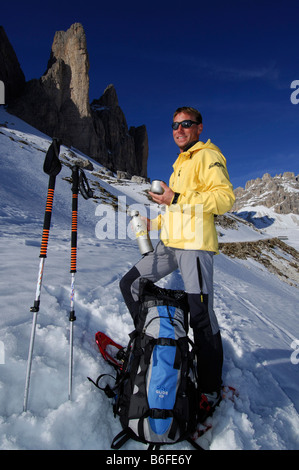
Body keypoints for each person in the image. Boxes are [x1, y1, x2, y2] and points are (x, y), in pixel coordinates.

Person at [119, 106, 235, 423]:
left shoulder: (208, 155)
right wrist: (151, 224)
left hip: (195, 246)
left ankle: (210, 388)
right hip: (170, 244)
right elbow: (176, 210)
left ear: (199, 127)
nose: (179, 129)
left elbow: (225, 199)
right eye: (174, 125)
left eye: (186, 124)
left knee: (201, 314)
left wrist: (177, 199)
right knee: (130, 284)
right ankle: (152, 346)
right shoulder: (179, 165)